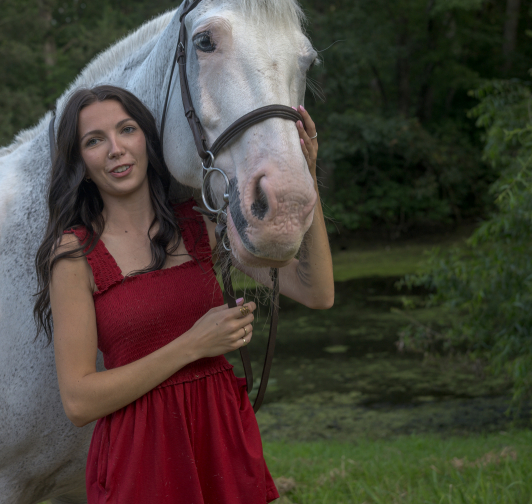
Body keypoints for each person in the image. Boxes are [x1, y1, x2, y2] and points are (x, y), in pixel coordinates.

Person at [33, 85, 334, 504]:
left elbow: (315, 291)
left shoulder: (200, 227)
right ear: (81, 164)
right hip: (141, 457)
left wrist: (306, 176)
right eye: (95, 141)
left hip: (220, 438)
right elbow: (79, 401)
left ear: (147, 141)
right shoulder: (75, 254)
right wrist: (194, 344)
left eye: (127, 129)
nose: (116, 149)